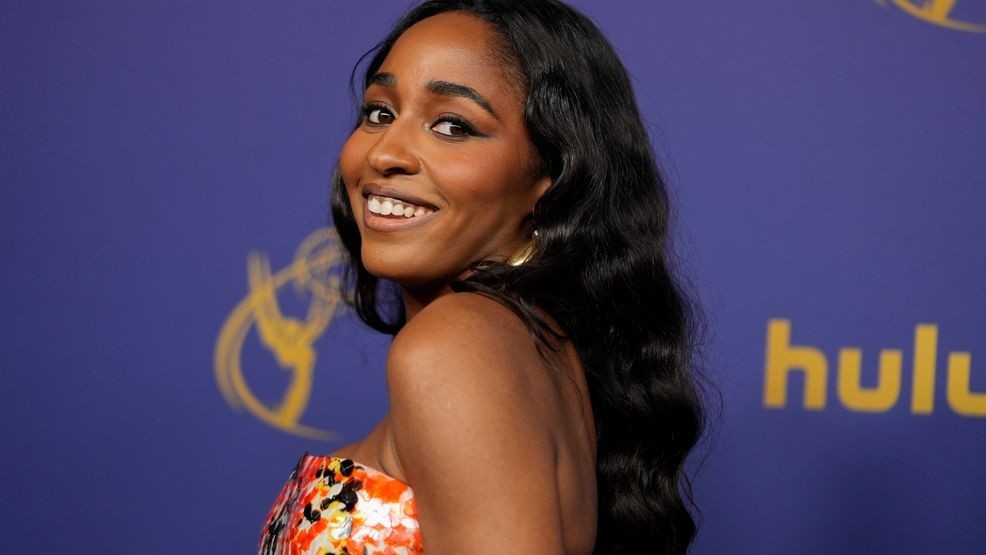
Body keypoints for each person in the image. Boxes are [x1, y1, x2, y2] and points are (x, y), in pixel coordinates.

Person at [260, 1, 706, 553]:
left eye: (452, 125)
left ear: (552, 178)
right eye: (379, 112)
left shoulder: (457, 344)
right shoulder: (527, 345)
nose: (386, 153)